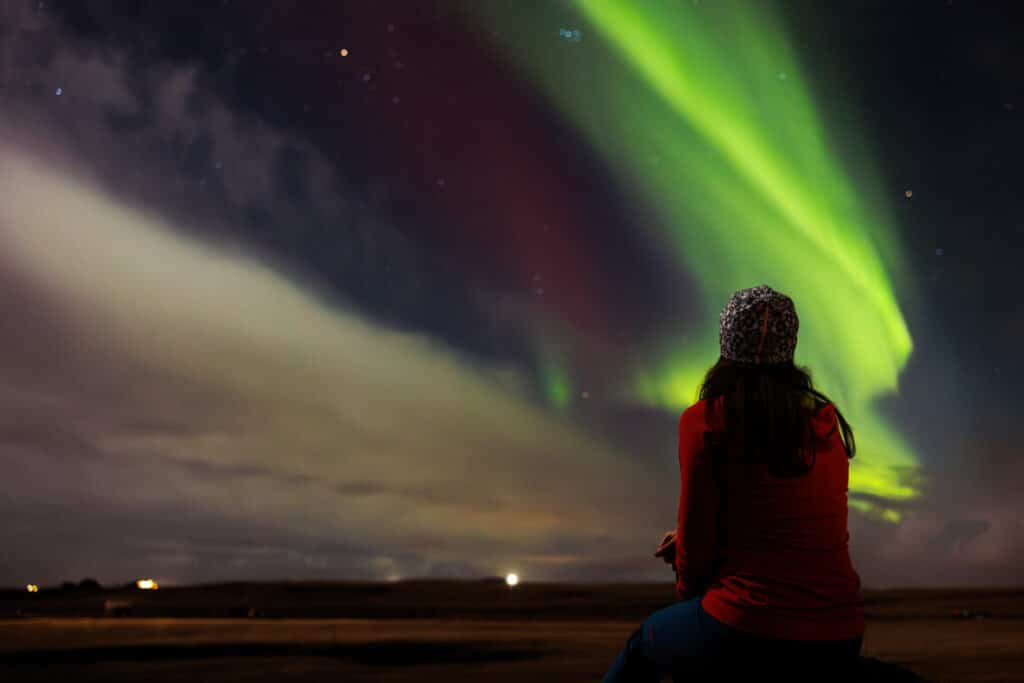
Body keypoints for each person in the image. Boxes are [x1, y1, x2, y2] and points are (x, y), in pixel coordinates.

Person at [602, 284, 866, 682]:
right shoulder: (826, 423)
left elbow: (696, 554)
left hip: (748, 625)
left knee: (644, 645)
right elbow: (786, 520)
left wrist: (688, 564)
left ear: (725, 343)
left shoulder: (705, 421)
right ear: (790, 347)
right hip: (842, 633)